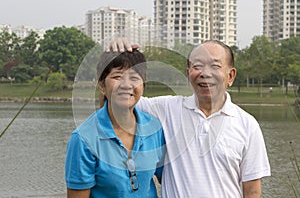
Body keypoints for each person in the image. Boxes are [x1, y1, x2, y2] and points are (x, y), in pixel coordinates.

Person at [106, 39, 271, 197]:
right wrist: (117, 54)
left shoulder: (247, 125)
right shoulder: (166, 110)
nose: (205, 73)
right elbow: (117, 97)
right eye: (197, 66)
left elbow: (252, 192)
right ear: (188, 73)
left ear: (231, 76)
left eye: (215, 66)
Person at [65, 49, 165, 197]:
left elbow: (168, 179)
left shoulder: (154, 128)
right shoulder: (83, 139)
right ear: (102, 85)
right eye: (117, 76)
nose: (126, 85)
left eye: (134, 78)